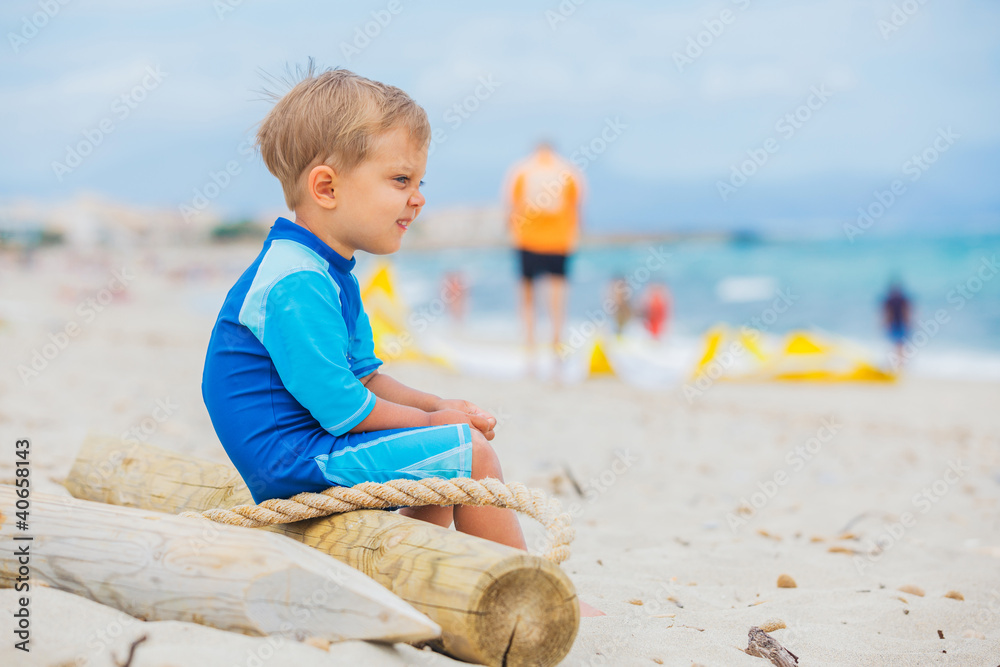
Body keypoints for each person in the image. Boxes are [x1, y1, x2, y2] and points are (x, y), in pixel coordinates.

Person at [201, 68, 523, 550]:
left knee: (439, 460)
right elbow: (343, 408)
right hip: (295, 460)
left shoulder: (329, 271)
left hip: (313, 447)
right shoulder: (297, 282)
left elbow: (366, 378)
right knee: (470, 456)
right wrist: (435, 424)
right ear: (327, 189)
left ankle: (412, 572)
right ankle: (527, 587)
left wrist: (437, 406)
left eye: (418, 180)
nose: (418, 199)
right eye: (400, 179)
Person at [504, 141, 585, 365]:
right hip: (559, 242)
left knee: (528, 297)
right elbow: (577, 207)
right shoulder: (568, 171)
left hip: (527, 240)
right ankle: (556, 344)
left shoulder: (522, 170)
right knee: (557, 298)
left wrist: (512, 232)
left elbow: (511, 206)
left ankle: (530, 346)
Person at [883, 280, 911, 363]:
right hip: (897, 324)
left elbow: (888, 313)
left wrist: (885, 323)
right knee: (899, 344)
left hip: (898, 324)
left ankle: (898, 362)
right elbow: (906, 312)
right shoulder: (900, 299)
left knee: (898, 344)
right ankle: (898, 362)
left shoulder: (892, 300)